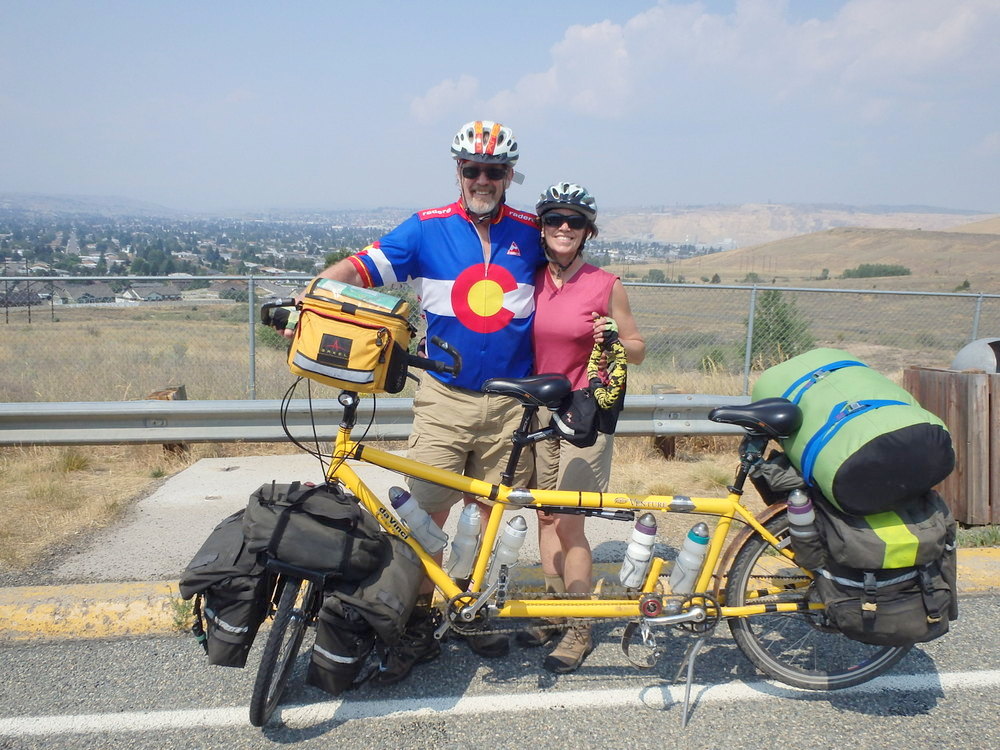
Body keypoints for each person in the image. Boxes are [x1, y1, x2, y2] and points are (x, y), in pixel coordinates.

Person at [288, 120, 545, 683]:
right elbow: (360, 268)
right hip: (446, 399)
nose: (483, 179)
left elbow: (576, 276)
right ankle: (420, 620)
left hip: (513, 406)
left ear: (509, 176)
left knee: (488, 519)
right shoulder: (427, 228)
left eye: (494, 170)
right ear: (458, 171)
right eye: (472, 169)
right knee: (423, 515)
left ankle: (472, 612)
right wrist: (309, 300)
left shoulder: (533, 232)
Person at [517, 181, 645, 673]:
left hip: (584, 413)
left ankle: (579, 626)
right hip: (536, 410)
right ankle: (556, 610)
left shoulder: (605, 283)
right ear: (543, 228)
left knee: (570, 522)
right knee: (545, 518)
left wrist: (614, 338)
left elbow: (637, 347)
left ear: (587, 230)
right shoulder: (529, 277)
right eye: (554, 220)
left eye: (574, 221)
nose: (564, 228)